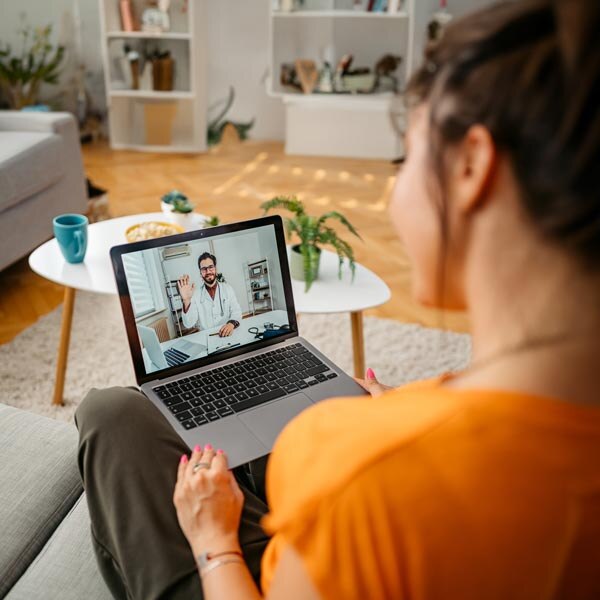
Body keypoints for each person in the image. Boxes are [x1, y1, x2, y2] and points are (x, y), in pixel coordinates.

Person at [75, 1, 600, 598]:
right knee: (239, 441)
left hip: (255, 572)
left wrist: (213, 542)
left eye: (405, 156)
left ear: (471, 167)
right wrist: (402, 411)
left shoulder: (359, 471)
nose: (399, 185)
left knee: (109, 415)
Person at [178, 252, 242, 338]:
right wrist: (186, 300)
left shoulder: (227, 289)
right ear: (200, 273)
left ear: (216, 269)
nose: (208, 271)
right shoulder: (195, 295)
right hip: (207, 338)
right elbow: (188, 324)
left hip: (228, 334)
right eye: (204, 269)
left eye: (211, 267)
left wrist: (231, 324)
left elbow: (236, 311)